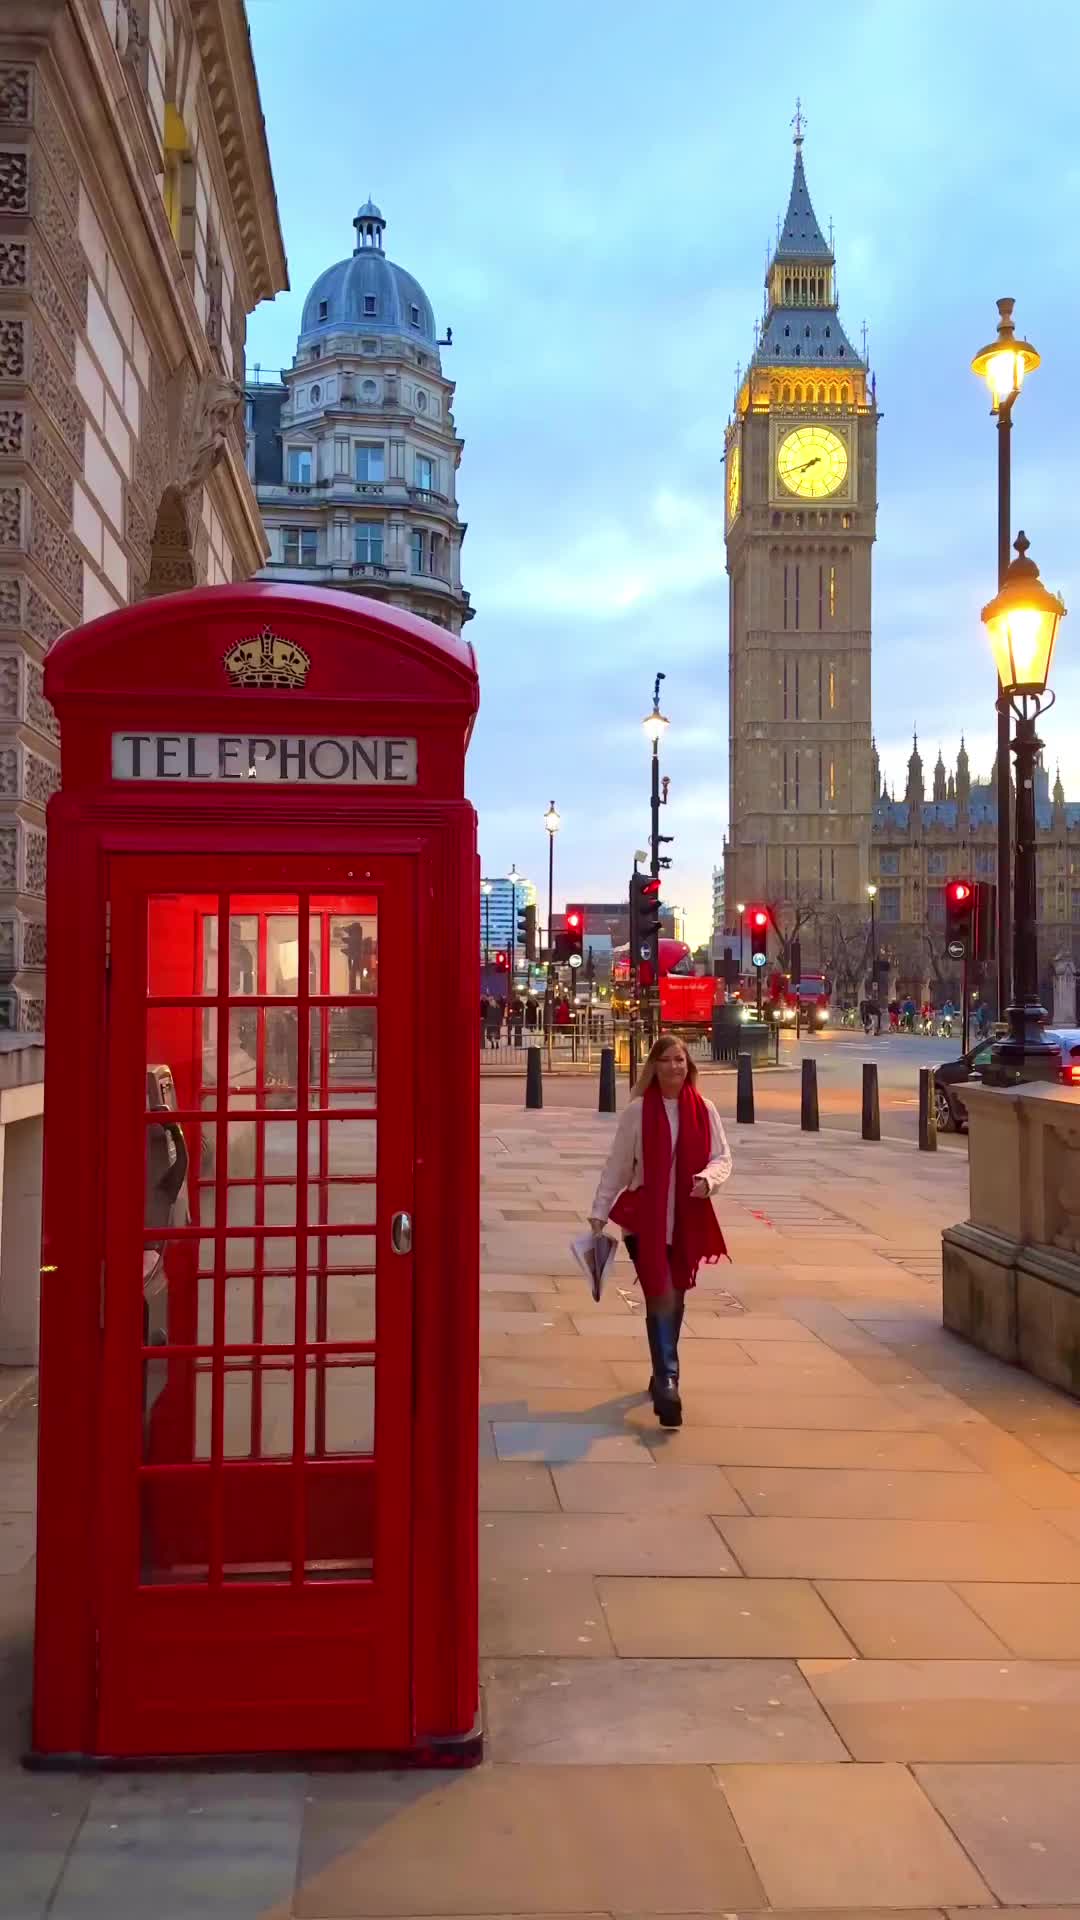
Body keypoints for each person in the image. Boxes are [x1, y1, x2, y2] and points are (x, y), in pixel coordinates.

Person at [588, 1035, 732, 1429]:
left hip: (686, 1218)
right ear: (654, 1066)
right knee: (660, 1293)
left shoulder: (705, 1109)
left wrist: (708, 1179)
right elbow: (617, 1165)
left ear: (689, 1066)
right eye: (667, 1060)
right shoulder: (637, 1112)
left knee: (676, 1296)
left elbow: (722, 1157)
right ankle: (669, 1381)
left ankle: (660, 1372)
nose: (674, 1067)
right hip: (644, 1222)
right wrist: (599, 1212)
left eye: (680, 1060)